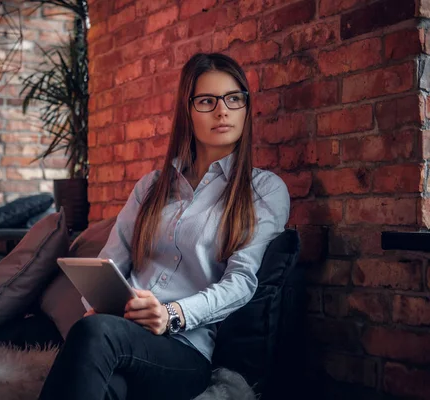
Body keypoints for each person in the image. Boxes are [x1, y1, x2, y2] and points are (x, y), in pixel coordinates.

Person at [38, 52, 290, 400]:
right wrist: (99, 303)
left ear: (246, 107)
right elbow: (110, 263)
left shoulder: (263, 189)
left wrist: (172, 314)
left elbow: (241, 282)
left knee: (94, 334)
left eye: (234, 99)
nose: (223, 111)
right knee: (107, 380)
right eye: (207, 101)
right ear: (187, 110)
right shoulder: (151, 187)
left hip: (184, 350)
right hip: (121, 331)